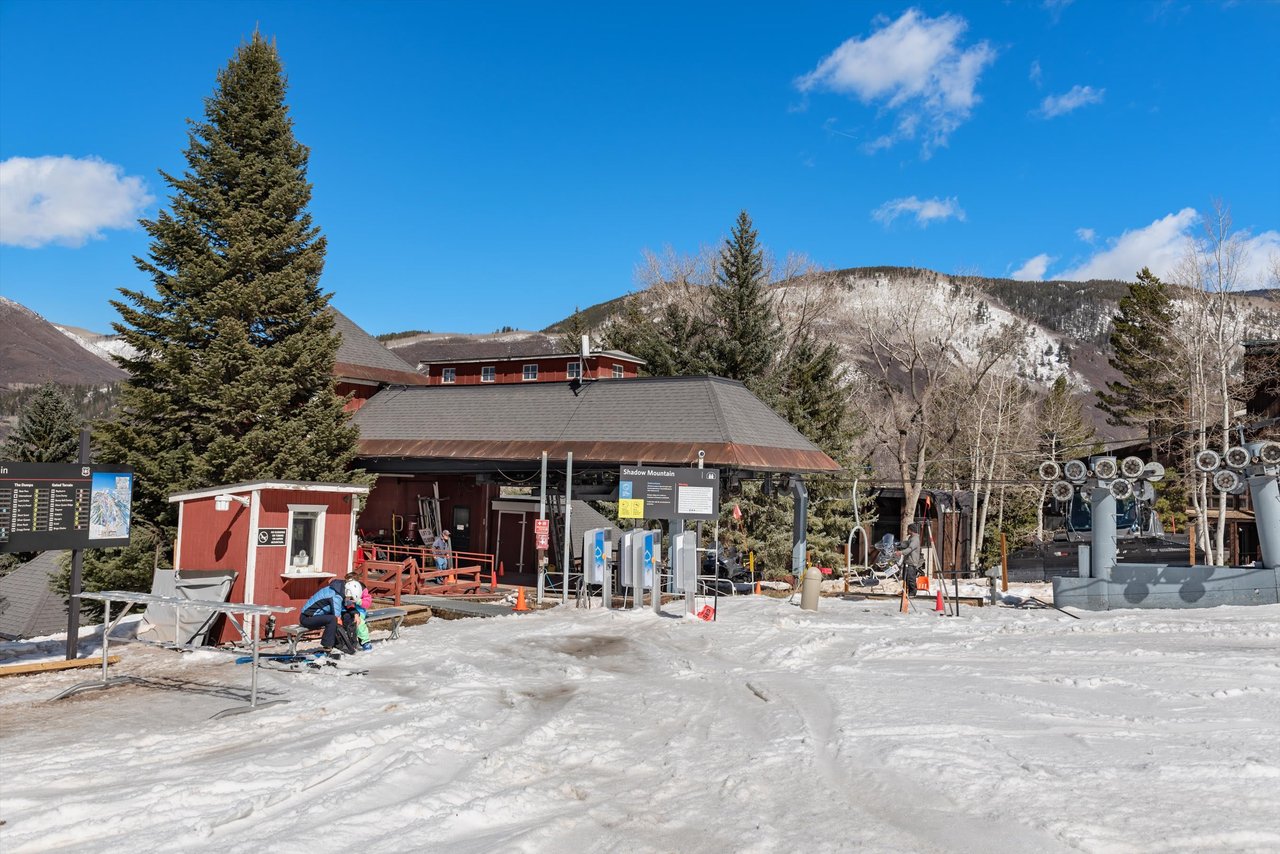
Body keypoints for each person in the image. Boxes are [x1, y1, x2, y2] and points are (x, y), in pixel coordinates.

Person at [300, 578, 358, 654]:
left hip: (319, 616)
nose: (350, 599)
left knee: (346, 616)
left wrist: (356, 614)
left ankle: (347, 643)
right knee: (333, 619)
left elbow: (348, 606)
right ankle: (327, 646)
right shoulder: (335, 595)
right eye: (351, 597)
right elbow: (337, 617)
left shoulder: (340, 591)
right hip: (307, 618)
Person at [344, 572, 374, 652]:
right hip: (348, 610)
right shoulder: (346, 588)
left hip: (360, 610)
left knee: (359, 622)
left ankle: (365, 641)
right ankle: (347, 641)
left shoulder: (363, 589)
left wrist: (358, 601)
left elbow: (367, 603)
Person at [903, 522, 922, 596]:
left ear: (911, 530)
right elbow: (906, 544)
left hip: (912, 562)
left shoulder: (915, 539)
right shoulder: (911, 538)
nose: (907, 531)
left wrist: (901, 552)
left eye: (908, 529)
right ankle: (906, 591)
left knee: (910, 578)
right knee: (906, 578)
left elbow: (910, 548)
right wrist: (899, 544)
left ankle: (913, 592)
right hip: (908, 561)